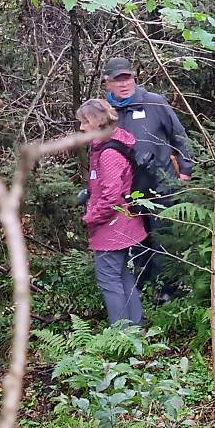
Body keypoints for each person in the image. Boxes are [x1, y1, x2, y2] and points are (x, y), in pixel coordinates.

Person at [102, 57, 195, 301]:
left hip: (163, 186)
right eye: (117, 80)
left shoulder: (154, 103)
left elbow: (180, 137)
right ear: (107, 83)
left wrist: (185, 171)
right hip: (128, 192)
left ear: (134, 78)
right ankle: (142, 290)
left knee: (164, 238)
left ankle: (168, 290)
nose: (124, 84)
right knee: (137, 242)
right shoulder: (106, 113)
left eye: (128, 78)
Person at [78, 99, 146, 327]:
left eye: (84, 122)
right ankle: (134, 327)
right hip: (122, 222)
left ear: (97, 122)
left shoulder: (108, 153)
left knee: (108, 278)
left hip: (114, 226)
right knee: (122, 274)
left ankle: (120, 333)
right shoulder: (106, 144)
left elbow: (111, 198)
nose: (81, 127)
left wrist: (90, 217)